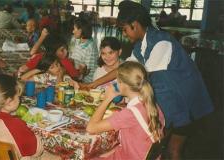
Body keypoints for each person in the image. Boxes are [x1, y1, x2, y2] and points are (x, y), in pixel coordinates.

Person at [81, 1, 214, 159]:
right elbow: (125, 70)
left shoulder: (161, 43)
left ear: (135, 25)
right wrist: (94, 83)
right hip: (168, 100)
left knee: (173, 149)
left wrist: (118, 93)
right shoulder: (141, 45)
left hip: (186, 102)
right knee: (159, 146)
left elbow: (139, 77)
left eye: (125, 30)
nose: (124, 34)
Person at [87, 61, 165, 159]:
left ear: (123, 85)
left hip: (133, 156)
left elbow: (91, 128)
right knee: (98, 154)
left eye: (117, 80)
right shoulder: (152, 104)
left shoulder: (130, 114)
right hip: (141, 153)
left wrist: (107, 99)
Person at [0, 74, 60, 159]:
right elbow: (34, 150)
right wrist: (38, 137)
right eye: (18, 96)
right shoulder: (14, 124)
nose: (19, 99)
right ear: (9, 102)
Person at [69, 17, 99, 83]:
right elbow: (73, 58)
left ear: (81, 30)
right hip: (77, 74)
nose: (73, 31)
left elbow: (87, 71)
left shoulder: (90, 46)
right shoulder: (77, 40)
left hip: (88, 81)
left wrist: (77, 79)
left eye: (74, 29)